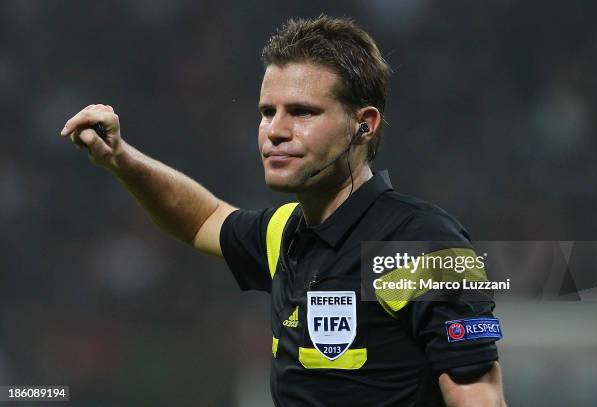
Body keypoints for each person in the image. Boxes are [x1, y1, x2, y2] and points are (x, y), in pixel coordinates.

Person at [60, 15, 505, 407]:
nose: (275, 131)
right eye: (266, 112)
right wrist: (121, 158)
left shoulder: (420, 244)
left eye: (302, 112)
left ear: (363, 125)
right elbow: (203, 218)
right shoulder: (285, 233)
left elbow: (477, 396)